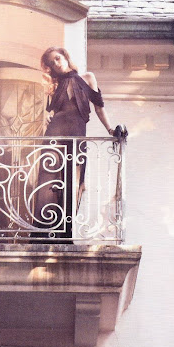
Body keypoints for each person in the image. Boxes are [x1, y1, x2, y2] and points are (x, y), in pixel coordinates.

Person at [31, 47, 114, 242]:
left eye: (57, 58)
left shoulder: (88, 78)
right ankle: (42, 234)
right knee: (48, 181)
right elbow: (49, 113)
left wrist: (110, 129)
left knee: (74, 182)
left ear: (65, 57)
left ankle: (65, 235)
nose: (56, 63)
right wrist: (47, 119)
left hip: (76, 135)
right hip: (55, 134)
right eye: (52, 63)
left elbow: (99, 109)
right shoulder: (53, 86)